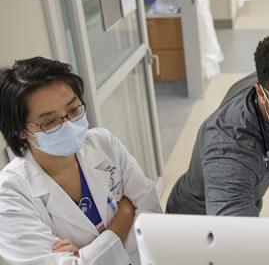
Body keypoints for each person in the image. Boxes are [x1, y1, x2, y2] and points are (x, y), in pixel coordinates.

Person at [0, 57, 161, 265]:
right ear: (20, 131)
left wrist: (85, 255)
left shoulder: (103, 143)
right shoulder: (9, 195)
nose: (67, 125)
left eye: (74, 109)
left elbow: (151, 215)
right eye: (49, 122)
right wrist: (124, 216)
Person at [166, 33, 269, 216]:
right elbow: (235, 237)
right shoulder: (229, 148)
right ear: (261, 93)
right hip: (197, 227)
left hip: (246, 201)